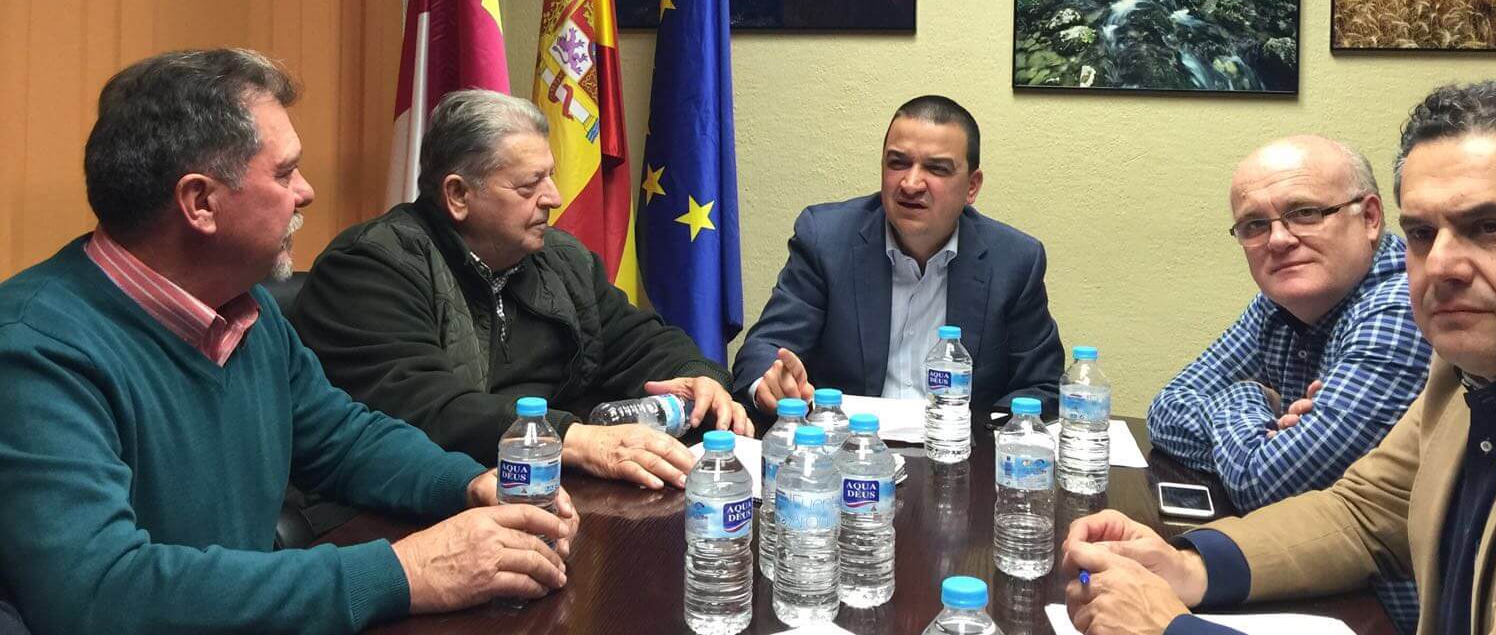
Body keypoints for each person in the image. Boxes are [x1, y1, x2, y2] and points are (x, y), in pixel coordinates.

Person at [0, 50, 578, 635]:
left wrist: (470, 485)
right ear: (200, 202)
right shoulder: (36, 352)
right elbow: (100, 593)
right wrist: (402, 572)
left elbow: (343, 440)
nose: (305, 192)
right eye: (283, 173)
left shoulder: (243, 308)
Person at [1064, 79, 1496, 635]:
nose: (1441, 265)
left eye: (1489, 227)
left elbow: (1270, 477)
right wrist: (1187, 566)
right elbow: (1363, 515)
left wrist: (1170, 629)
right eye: (1421, 232)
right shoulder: (1470, 368)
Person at [293, 89, 752, 491]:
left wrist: (699, 376)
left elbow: (642, 341)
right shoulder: (371, 266)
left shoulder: (560, 258)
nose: (553, 197)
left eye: (549, 175)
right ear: (458, 195)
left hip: (544, 489)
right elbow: (426, 408)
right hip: (413, 508)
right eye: (530, 184)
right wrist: (575, 438)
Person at [1146, 135, 1430, 630]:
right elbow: (1167, 406)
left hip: (1389, 609)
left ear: (1369, 218)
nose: (1277, 240)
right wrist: (1260, 408)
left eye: (1304, 213)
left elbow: (1269, 483)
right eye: (1255, 225)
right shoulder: (1281, 301)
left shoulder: (1401, 307)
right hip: (1305, 577)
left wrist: (1239, 397)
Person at [730, 95, 1064, 416]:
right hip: (850, 451)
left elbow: (1042, 386)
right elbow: (765, 348)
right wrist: (770, 383)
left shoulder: (1014, 260)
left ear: (972, 186)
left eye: (937, 168)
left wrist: (984, 437)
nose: (911, 183)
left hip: (958, 455)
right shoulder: (825, 240)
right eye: (898, 163)